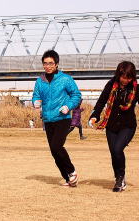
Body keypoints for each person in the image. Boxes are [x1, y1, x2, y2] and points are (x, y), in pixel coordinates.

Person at [32, 50, 81, 187]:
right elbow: (36, 95)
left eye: (51, 63)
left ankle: (72, 172)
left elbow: (76, 95)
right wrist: (35, 101)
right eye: (45, 63)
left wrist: (68, 106)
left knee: (56, 146)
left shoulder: (65, 79)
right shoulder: (40, 81)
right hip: (48, 119)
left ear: (56, 64)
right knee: (54, 151)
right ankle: (68, 179)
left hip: (62, 118)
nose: (48, 66)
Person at [88, 61, 138, 192]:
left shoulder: (135, 88)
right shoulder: (111, 85)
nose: (125, 80)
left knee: (117, 149)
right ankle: (118, 179)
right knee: (114, 153)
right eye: (123, 77)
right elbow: (101, 101)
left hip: (128, 125)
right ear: (118, 75)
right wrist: (94, 116)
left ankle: (120, 178)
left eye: (129, 77)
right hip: (111, 125)